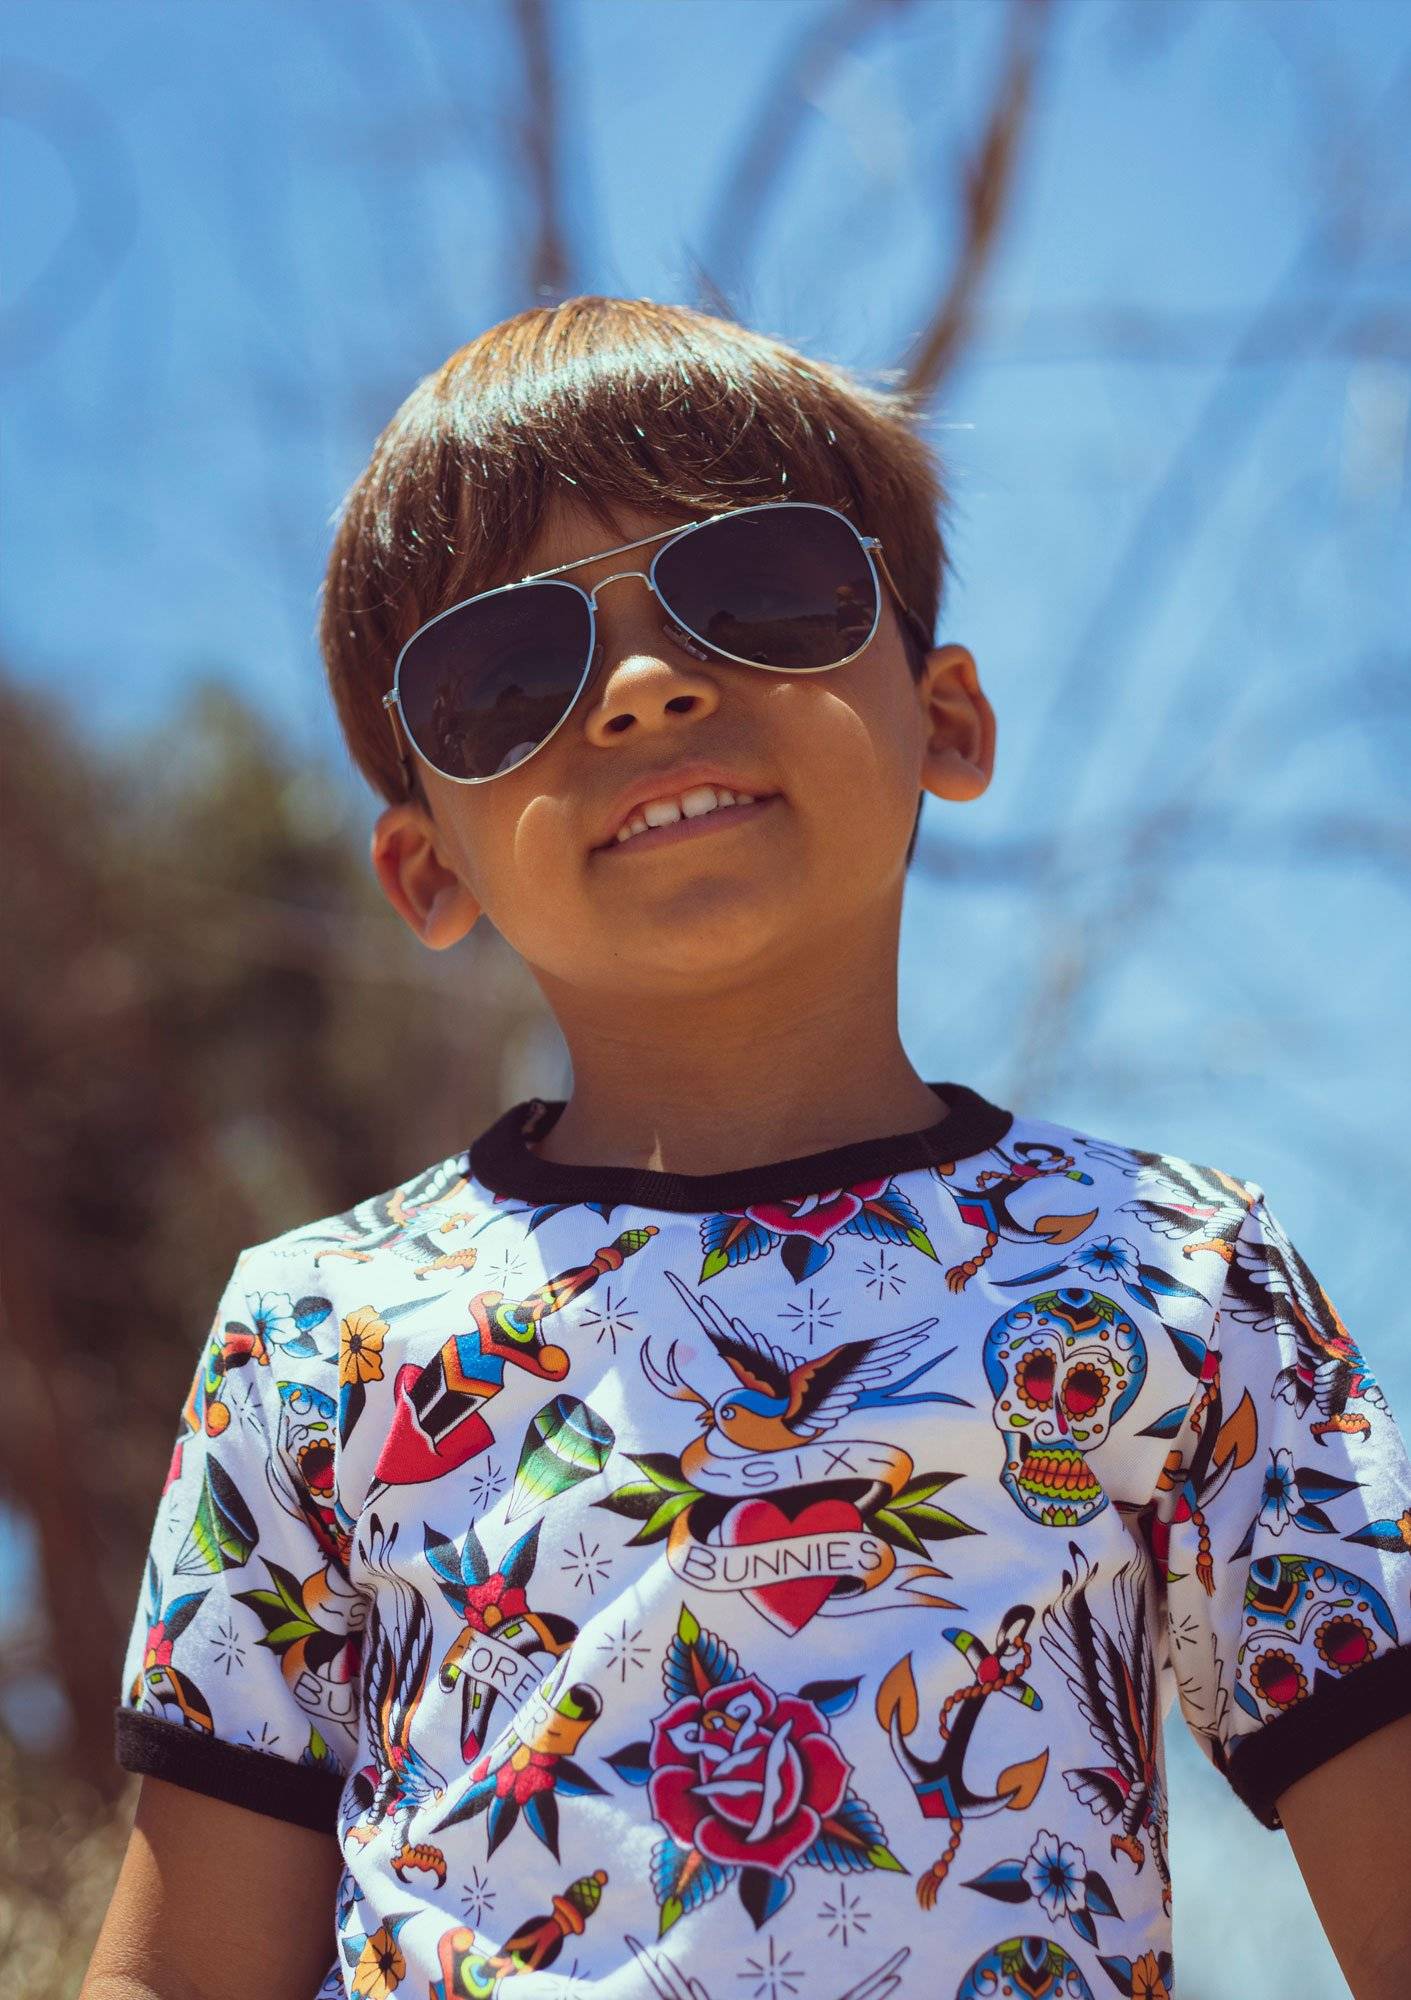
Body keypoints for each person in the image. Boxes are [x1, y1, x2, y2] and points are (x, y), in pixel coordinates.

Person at [83, 297, 1411, 2000]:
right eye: (505, 674)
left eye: (761, 590)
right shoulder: (315, 1334)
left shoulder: (1178, 1275)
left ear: (948, 721)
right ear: (427, 872)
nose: (644, 687)